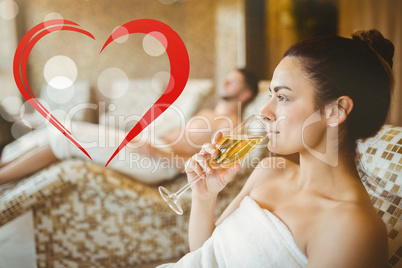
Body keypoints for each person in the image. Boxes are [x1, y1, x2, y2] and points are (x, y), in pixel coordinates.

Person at [160, 29, 393, 267]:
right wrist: (204, 196)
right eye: (271, 95)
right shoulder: (270, 170)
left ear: (335, 111)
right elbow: (205, 257)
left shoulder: (350, 228)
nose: (264, 112)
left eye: (282, 97)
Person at [0, 69, 259, 185]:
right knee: (61, 128)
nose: (225, 83)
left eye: (233, 81)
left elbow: (205, 170)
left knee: (67, 139)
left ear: (246, 94)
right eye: (227, 79)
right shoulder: (206, 112)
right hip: (147, 145)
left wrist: (155, 153)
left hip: (156, 162)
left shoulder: (233, 129)